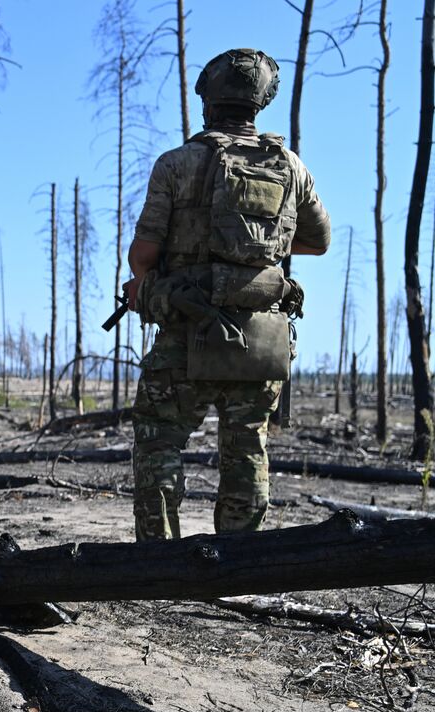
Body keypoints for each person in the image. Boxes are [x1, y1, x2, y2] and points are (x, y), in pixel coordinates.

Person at [124, 48, 331, 542]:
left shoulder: (177, 163)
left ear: (209, 102)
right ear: (259, 104)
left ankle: (158, 563)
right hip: (260, 339)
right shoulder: (290, 167)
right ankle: (240, 564)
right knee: (247, 449)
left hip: (187, 331)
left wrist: (148, 282)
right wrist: (268, 246)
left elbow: (144, 256)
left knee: (159, 442)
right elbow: (318, 242)